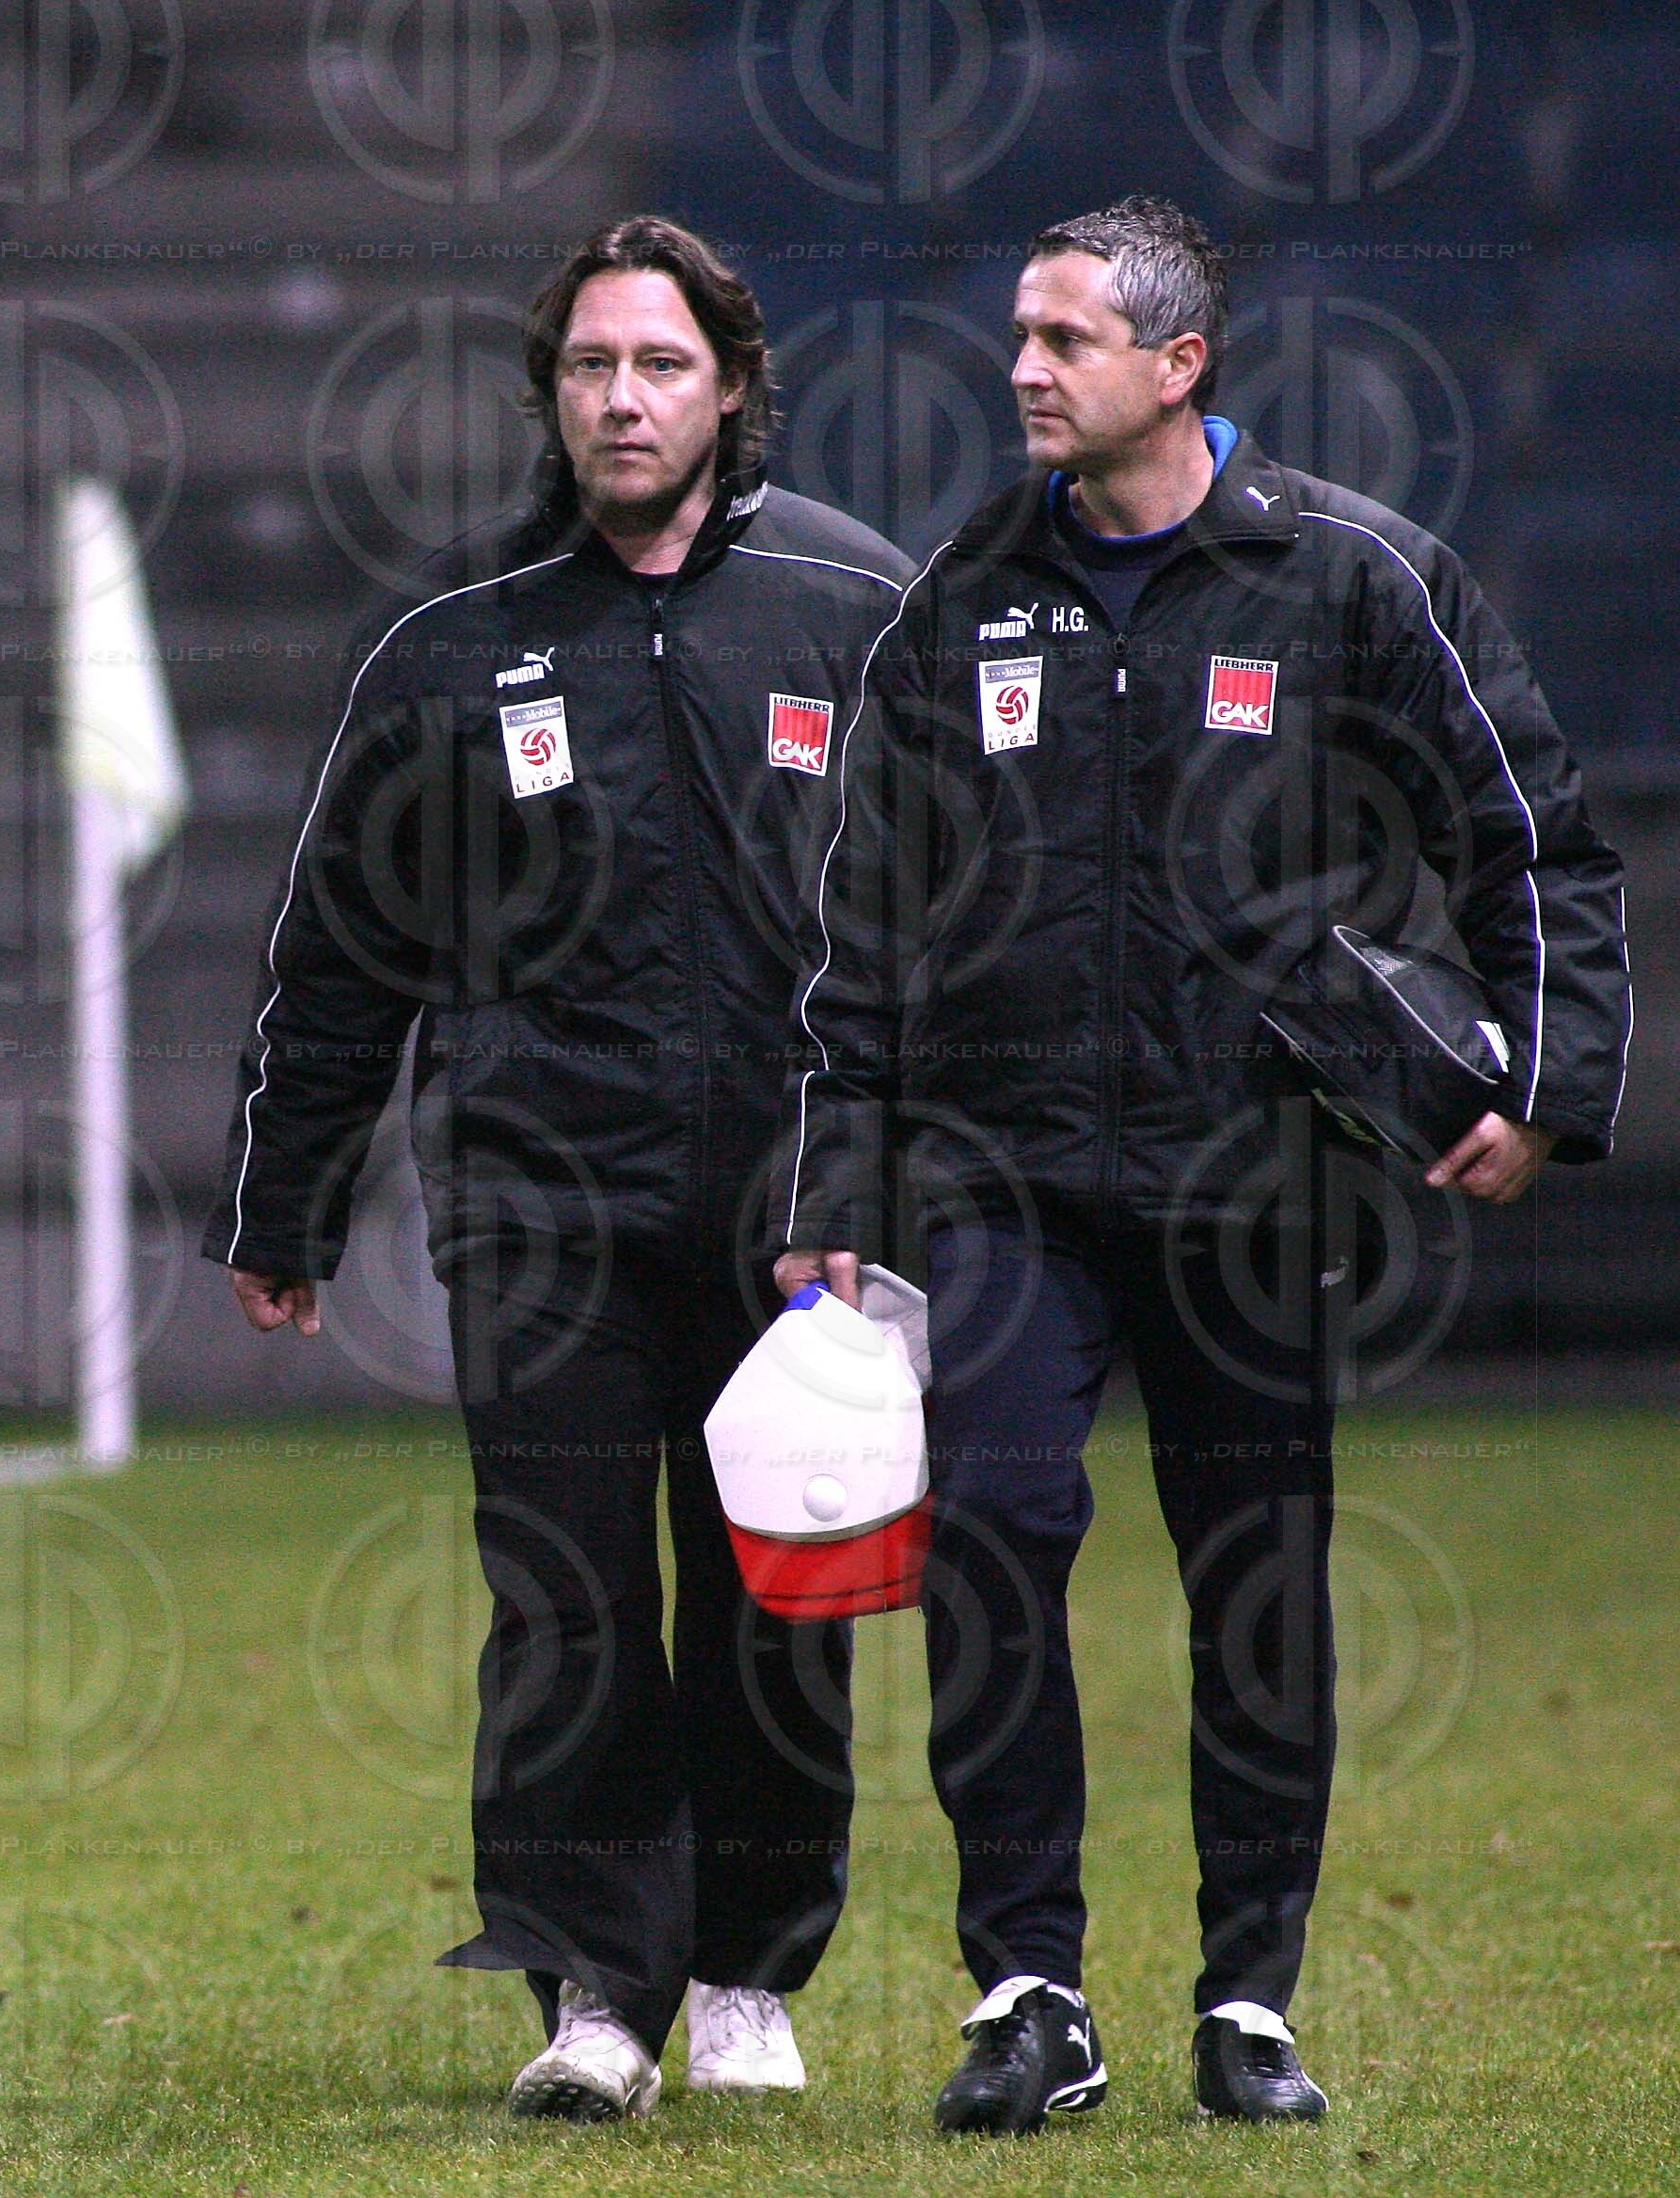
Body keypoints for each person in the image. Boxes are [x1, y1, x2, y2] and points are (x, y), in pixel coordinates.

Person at [777, 197, 1629, 2134]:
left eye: (1063, 339)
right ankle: (1029, 1986)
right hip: (1001, 1178)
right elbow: (862, 926)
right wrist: (833, 1189)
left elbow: (1536, 841)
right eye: (1017, 333)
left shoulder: (1348, 578)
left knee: (1259, 1585)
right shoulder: (962, 591)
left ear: (1177, 369)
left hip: (1253, 1181)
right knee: (990, 1538)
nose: (1021, 368)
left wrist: (1551, 1074)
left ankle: (1248, 1994)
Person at [213, 215, 913, 2119]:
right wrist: (286, 1198)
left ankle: (752, 1974)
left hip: (797, 1220)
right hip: (538, 1206)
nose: (624, 396)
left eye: (662, 365)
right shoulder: (451, 640)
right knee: (567, 1601)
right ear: (551, 396)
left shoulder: (859, 612)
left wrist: (907, 1170)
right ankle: (600, 1993)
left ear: (733, 388)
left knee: (781, 1593)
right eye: (592, 366)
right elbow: (340, 944)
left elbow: (958, 910)